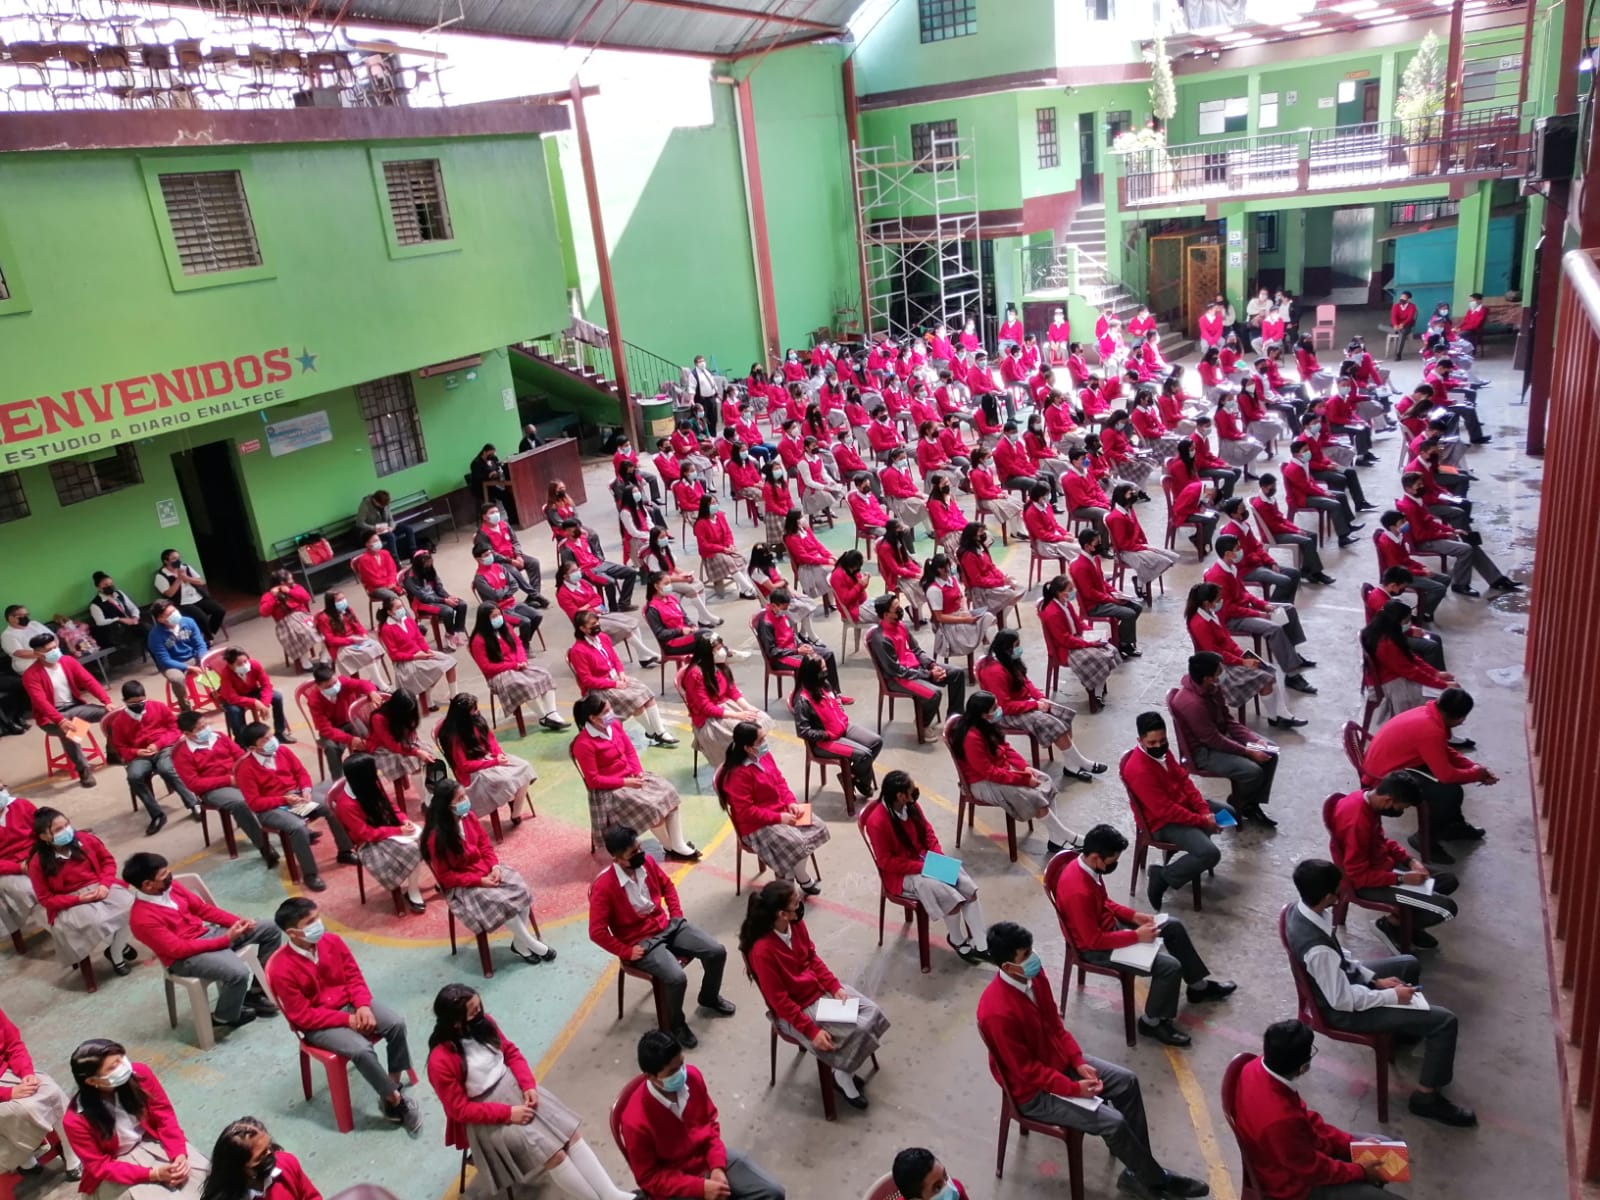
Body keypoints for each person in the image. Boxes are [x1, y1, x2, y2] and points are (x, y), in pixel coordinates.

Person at [976, 921, 1210, 1199]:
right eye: (1025, 955)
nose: (1033, 958)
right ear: (1007, 967)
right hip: (1034, 1092)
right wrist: (1073, 1088)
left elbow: (1055, 1026)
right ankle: (1155, 1179)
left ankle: (1139, 1172)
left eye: (1031, 950)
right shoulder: (996, 1012)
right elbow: (1026, 1071)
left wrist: (1076, 1062)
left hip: (1060, 1063)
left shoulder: (1034, 978)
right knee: (1113, 1123)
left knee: (1127, 1082)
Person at [1288, 860, 1474, 1126]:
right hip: (1341, 1011)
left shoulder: (1303, 909)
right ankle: (1426, 1098)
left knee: (1408, 964)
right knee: (1445, 1021)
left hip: (1342, 984)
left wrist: (1374, 980)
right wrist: (1393, 996)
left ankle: (1402, 1033)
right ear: (1329, 896)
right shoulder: (1317, 950)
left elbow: (1341, 957)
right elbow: (1343, 1001)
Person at [428, 984, 638, 1199]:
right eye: (473, 1012)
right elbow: (459, 1110)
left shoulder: (485, 1024)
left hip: (515, 1089)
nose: (480, 1013)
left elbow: (510, 1052)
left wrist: (528, 1084)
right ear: (455, 1022)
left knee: (571, 1135)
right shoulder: (440, 1061)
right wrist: (508, 1114)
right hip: (487, 1114)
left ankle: (613, 1195)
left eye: (478, 1006)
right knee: (553, 1155)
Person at [1053, 824, 1235, 1046]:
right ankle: (1152, 1022)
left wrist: (1134, 916)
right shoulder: (1077, 892)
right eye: (1112, 860)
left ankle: (1198, 987)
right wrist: (1136, 936)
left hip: (1109, 929)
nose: (1114, 864)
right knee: (1170, 967)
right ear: (1094, 857)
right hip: (1097, 949)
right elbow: (1093, 941)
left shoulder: (1086, 868)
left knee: (1173, 926)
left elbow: (1104, 902)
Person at [265, 896, 421, 1131]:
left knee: (396, 1024)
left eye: (317, 916)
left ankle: (393, 1083)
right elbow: (302, 1016)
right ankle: (393, 1100)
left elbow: (354, 977)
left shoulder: (332, 942)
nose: (319, 923)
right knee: (361, 1050)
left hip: (351, 1006)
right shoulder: (281, 970)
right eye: (311, 921)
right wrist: (347, 1020)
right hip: (319, 1025)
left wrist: (363, 1006)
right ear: (293, 933)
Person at [739, 879, 890, 1111]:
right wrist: (811, 1030)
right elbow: (780, 1002)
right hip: (798, 1009)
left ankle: (842, 1068)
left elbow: (812, 957)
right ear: (782, 914)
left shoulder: (796, 925)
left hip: (819, 990)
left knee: (872, 1013)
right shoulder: (762, 952)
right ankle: (842, 1075)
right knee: (858, 1029)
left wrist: (835, 987)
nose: (800, 906)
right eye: (795, 903)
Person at [1233, 1020, 1412, 1200]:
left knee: (1383, 1145)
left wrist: (1349, 1144)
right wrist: (1360, 1171)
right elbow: (1313, 1170)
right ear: (1303, 1067)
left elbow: (1306, 1121)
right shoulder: (1279, 1120)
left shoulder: (1253, 1067)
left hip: (1293, 1153)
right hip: (1294, 1186)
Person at [589, 826, 735, 1047]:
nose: (640, 853)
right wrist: (626, 951)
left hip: (667, 926)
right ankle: (674, 1024)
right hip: (640, 942)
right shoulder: (604, 887)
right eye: (632, 853)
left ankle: (709, 997)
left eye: (639, 847)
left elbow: (667, 886)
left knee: (716, 951)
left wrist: (676, 915)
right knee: (676, 979)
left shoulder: (646, 863)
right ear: (617, 859)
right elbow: (596, 932)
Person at [122, 852, 281, 1030]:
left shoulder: (171, 887)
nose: (169, 877)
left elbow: (203, 910)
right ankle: (223, 1017)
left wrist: (237, 922)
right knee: (238, 973)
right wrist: (225, 940)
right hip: (185, 958)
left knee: (271, 929)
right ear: (147, 885)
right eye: (163, 875)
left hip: (209, 934)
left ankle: (256, 993)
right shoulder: (142, 919)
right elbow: (178, 949)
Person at [619, 1029, 784, 1200]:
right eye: (672, 1072)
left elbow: (710, 1124)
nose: (681, 1073)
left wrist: (717, 1167)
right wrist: (699, 1188)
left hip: (706, 1158)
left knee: (773, 1194)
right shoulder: (634, 1122)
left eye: (681, 1064)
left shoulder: (692, 1077)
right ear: (651, 1077)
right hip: (676, 1183)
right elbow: (649, 1178)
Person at [421, 778, 554, 964]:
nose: (465, 801)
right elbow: (446, 877)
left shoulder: (469, 817)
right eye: (459, 799)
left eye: (464, 796)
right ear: (447, 806)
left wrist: (495, 866)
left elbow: (485, 844)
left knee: (520, 889)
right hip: (464, 884)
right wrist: (479, 881)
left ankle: (521, 944)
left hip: (486, 870)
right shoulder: (437, 838)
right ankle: (532, 943)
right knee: (501, 903)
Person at [864, 771, 987, 963]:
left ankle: (982, 944)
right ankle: (957, 939)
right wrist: (922, 867)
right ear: (900, 795)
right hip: (902, 874)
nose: (915, 791)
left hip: (925, 860)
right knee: (948, 895)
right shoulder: (877, 822)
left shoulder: (911, 806)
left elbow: (928, 831)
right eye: (911, 789)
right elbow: (886, 862)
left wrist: (937, 856)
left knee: (966, 886)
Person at [1360, 689, 1495, 859]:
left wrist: (1474, 767)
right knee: (1447, 792)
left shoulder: (1429, 713)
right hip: (1384, 776)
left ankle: (1452, 826)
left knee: (1451, 787)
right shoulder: (1431, 730)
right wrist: (1477, 775)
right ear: (1461, 718)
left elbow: (1444, 751)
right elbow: (1446, 775)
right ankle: (1425, 839)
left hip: (1389, 763)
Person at [63, 1040, 208, 1198]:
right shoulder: (75, 1120)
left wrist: (179, 1153)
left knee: (206, 1177)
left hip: (150, 1140)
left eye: (121, 1058)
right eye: (113, 1066)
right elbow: (100, 1166)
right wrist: (155, 1174)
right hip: (117, 1165)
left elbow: (164, 1116)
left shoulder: (140, 1074)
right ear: (92, 1081)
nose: (123, 1066)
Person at [1327, 775, 1460, 947]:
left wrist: (1410, 861)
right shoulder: (1357, 822)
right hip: (1368, 884)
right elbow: (1358, 876)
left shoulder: (1367, 800)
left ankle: (1405, 923)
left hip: (1386, 868)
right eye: (1401, 808)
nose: (1401, 812)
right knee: (1446, 908)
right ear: (1388, 800)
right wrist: (1401, 879)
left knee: (1447, 880)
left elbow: (1381, 840)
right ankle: (1393, 926)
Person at [1121, 711, 1228, 909]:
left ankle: (1195, 851)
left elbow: (1184, 781)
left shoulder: (1163, 751)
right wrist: (1203, 820)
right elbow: (1166, 812)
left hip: (1181, 807)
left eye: (1162, 740)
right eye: (1152, 743)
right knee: (1210, 854)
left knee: (1228, 812)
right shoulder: (1139, 771)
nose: (1158, 746)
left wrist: (1204, 810)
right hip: (1162, 823)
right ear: (1140, 741)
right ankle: (1163, 876)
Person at [572, 695, 698, 861]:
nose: (612, 713)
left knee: (669, 792)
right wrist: (625, 782)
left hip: (631, 777)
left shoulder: (614, 726)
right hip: (611, 790)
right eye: (606, 711)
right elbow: (593, 780)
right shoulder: (584, 744)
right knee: (651, 807)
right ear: (593, 718)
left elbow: (630, 751)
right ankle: (670, 846)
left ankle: (677, 843)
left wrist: (638, 771)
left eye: (610, 708)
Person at [951, 692, 1079, 853]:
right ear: (983, 715)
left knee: (1044, 779)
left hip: (1000, 772)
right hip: (981, 782)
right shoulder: (971, 738)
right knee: (1033, 796)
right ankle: (1067, 835)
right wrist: (1024, 779)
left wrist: (1025, 768)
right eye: (994, 708)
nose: (999, 710)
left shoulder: (988, 725)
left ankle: (1056, 838)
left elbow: (1006, 748)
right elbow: (989, 773)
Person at [235, 721, 355, 894]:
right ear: (252, 748)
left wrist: (306, 790)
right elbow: (255, 803)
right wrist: (284, 800)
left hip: (297, 796)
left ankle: (345, 851)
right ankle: (310, 874)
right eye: (264, 740)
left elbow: (301, 772)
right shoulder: (246, 769)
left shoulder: (283, 751)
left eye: (271, 736)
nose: (271, 741)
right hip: (271, 808)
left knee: (331, 805)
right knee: (297, 827)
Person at [1168, 656, 1282, 823]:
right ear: (1207, 678)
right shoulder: (1193, 704)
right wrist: (1248, 752)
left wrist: (1254, 741)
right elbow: (1213, 740)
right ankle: (1238, 801)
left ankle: (1250, 803)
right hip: (1204, 752)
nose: (1221, 675)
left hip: (1219, 737)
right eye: (1217, 673)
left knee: (1270, 752)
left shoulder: (1212, 688)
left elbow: (1228, 721)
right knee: (1253, 771)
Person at [29, 806, 136, 981]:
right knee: (97, 921)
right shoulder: (37, 863)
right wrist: (77, 899)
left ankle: (115, 950)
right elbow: (45, 899)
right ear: (44, 837)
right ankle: (119, 953)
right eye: (58, 830)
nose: (67, 831)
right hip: (70, 900)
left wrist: (105, 884)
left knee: (135, 907)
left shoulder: (86, 840)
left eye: (67, 825)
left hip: (99, 886)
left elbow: (107, 861)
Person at [977, 629, 1103, 774]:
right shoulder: (994, 672)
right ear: (1006, 648)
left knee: (1063, 714)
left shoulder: (1009, 660)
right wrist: (1035, 705)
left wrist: (1040, 697)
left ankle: (1071, 765)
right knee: (1052, 723)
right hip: (1004, 714)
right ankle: (1081, 762)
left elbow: (1025, 681)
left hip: (1022, 703)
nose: (1019, 649)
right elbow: (1004, 706)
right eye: (1016, 645)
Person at [1184, 583, 1301, 728]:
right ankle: (1276, 717)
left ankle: (1280, 715)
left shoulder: (1211, 614)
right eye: (1218, 599)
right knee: (1266, 677)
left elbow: (1226, 640)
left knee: (1268, 669)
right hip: (1217, 669)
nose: (1221, 602)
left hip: (1227, 661)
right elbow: (1214, 654)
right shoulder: (1200, 624)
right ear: (1207, 603)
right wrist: (1241, 662)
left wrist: (1242, 654)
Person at [1206, 535, 1315, 689]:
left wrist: (1263, 605)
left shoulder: (1232, 567)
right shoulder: (1217, 576)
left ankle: (1293, 654)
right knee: (1274, 628)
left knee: (1288, 610)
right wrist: (1258, 614)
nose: (1241, 551)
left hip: (1245, 609)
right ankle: (1291, 675)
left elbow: (1244, 593)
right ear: (1228, 554)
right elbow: (1228, 609)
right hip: (1232, 618)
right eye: (1238, 549)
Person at [171, 712, 277, 869]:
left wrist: (245, 776)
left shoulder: (219, 737)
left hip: (237, 778)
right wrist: (228, 780)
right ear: (187, 734)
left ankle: (294, 829)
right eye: (200, 728)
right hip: (213, 789)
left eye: (206, 725)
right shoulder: (181, 753)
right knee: (241, 803)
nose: (206, 729)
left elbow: (241, 757)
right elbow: (194, 784)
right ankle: (265, 847)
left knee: (274, 781)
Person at [328, 753, 429, 912]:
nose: (378, 772)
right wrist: (397, 831)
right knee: (412, 849)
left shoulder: (371, 784)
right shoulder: (345, 805)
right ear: (364, 775)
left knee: (427, 837)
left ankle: (430, 882)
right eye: (373, 770)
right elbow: (365, 834)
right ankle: (412, 891)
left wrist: (403, 819)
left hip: (386, 826)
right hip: (369, 843)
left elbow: (390, 805)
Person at [568, 609, 678, 745]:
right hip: (600, 687)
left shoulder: (603, 638)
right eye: (592, 624)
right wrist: (614, 684)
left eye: (597, 622)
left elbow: (615, 659)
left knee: (647, 694)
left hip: (615, 679)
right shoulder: (578, 651)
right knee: (635, 701)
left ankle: (659, 732)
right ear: (582, 628)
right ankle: (652, 732)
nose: (597, 626)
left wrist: (621, 673)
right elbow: (587, 680)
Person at [866, 593, 965, 739]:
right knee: (934, 694)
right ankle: (922, 725)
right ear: (886, 614)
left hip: (917, 669)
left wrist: (931, 665)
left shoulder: (900, 626)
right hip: (898, 678)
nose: (900, 610)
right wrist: (929, 675)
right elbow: (895, 670)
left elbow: (916, 650)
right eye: (897, 608)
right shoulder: (881, 639)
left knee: (956, 673)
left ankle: (954, 720)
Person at [434, 691, 539, 826]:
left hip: (489, 758)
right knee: (507, 780)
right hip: (474, 772)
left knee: (525, 766)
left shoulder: (477, 720)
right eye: (473, 710)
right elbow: (464, 766)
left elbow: (491, 740)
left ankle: (515, 812)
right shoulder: (454, 737)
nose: (477, 712)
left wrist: (498, 755)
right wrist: (493, 762)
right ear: (463, 715)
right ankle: (513, 802)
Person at [106, 681, 198, 835]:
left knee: (167, 768)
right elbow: (121, 747)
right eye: (133, 703)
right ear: (124, 702)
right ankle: (157, 814)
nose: (139, 705)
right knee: (134, 776)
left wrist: (158, 744)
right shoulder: (119, 722)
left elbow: (174, 729)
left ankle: (193, 804)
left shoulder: (158, 707)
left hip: (163, 748)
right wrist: (136, 752)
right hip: (140, 756)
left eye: (141, 701)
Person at [0, 1007, 81, 1180]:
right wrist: (7, 1093)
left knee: (50, 1091)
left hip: (5, 1071)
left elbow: (13, 1044)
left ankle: (72, 1152)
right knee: (24, 1109)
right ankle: (24, 1158)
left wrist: (26, 1072)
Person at [20, 631, 108, 787]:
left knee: (111, 715)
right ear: (38, 654)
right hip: (50, 718)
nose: (54, 652)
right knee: (71, 730)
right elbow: (41, 702)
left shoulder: (68, 661)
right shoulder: (31, 675)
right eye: (49, 650)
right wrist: (59, 720)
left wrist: (106, 701)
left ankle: (114, 750)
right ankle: (83, 769)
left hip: (76, 708)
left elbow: (89, 681)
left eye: (55, 647)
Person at [791, 655, 882, 800]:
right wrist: (826, 734)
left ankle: (852, 776)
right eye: (822, 669)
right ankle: (860, 782)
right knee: (865, 755)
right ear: (812, 673)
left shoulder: (824, 684)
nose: (826, 671)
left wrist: (841, 714)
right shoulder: (802, 701)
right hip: (825, 741)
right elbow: (803, 731)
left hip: (843, 727)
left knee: (876, 742)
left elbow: (836, 700)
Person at [468, 605, 567, 733]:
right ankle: (543, 716)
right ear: (484, 620)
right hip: (498, 673)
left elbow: (518, 644)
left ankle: (552, 713)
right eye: (494, 617)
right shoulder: (478, 640)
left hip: (517, 665)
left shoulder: (506, 627)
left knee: (544, 674)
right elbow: (486, 667)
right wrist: (513, 666)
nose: (498, 618)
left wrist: (522, 660)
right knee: (523, 684)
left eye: (499, 615)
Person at [679, 631, 770, 765]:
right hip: (709, 719)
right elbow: (706, 707)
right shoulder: (694, 675)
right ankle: (739, 763)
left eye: (721, 647)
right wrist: (738, 715)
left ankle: (754, 757)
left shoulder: (720, 666)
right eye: (717, 649)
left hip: (727, 707)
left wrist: (746, 707)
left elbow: (732, 690)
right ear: (707, 652)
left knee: (761, 718)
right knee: (742, 731)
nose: (722, 652)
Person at [1360, 600, 1454, 725]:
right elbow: (1411, 672)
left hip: (1392, 674)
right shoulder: (1387, 644)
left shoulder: (1381, 630)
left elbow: (1411, 657)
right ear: (1396, 621)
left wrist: (1435, 673)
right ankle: (1438, 729)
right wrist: (1442, 685)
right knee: (1444, 698)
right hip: (1390, 682)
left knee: (1447, 689)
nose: (1408, 624)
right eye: (1406, 621)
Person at [1037, 575, 1123, 711]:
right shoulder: (1052, 613)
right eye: (1070, 589)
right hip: (1065, 649)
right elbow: (1064, 640)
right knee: (1098, 658)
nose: (1073, 591)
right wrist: (1089, 643)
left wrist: (1093, 633)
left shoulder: (1066, 604)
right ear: (1060, 593)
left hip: (1077, 640)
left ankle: (1098, 691)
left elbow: (1078, 622)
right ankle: (1094, 691)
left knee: (1109, 649)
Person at [199, 1116, 322, 1199]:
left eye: (269, 1145)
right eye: (260, 1156)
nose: (270, 1154)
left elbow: (312, 1197)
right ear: (239, 1167)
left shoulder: (286, 1162)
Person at [375, 594, 456, 713]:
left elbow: (419, 638)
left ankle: (454, 697)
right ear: (389, 612)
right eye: (397, 608)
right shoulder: (387, 629)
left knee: (450, 662)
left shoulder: (408, 620)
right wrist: (415, 656)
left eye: (401, 606)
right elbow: (394, 655)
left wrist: (427, 650)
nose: (401, 610)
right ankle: (428, 698)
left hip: (420, 653)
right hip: (406, 661)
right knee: (436, 667)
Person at [754, 588, 844, 695]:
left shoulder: (781, 614)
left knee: (827, 654)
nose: (785, 611)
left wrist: (802, 644)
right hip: (781, 657)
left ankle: (834, 693)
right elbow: (772, 652)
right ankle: (813, 697)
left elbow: (792, 633)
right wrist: (797, 651)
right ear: (774, 605)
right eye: (783, 608)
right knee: (813, 663)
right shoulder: (766, 623)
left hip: (794, 648)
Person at [1069, 530, 1142, 659]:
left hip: (1103, 599)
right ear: (1087, 546)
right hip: (1093, 606)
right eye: (1096, 543)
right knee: (1129, 613)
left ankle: (1119, 639)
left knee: (1136, 607)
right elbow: (1089, 593)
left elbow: (1101, 581)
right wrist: (1112, 600)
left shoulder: (1095, 559)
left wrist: (1115, 592)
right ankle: (1123, 644)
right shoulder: (1080, 566)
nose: (1100, 545)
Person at [1217, 496, 1302, 602]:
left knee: (1294, 573)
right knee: (1285, 581)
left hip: (1257, 564)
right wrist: (1259, 560)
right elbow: (1238, 560)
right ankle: (1274, 608)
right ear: (1234, 514)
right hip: (1245, 570)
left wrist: (1271, 562)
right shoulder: (1232, 533)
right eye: (1241, 508)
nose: (1244, 509)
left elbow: (1257, 546)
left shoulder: (1245, 525)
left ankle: (1287, 607)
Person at [303, 664, 379, 782]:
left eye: (335, 682)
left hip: (349, 719)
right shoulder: (314, 701)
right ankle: (338, 781)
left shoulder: (343, 682)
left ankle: (367, 772)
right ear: (319, 687)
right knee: (331, 747)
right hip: (331, 728)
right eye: (329, 686)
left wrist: (372, 692)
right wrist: (350, 739)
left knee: (366, 736)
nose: (334, 687)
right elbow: (325, 728)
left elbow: (363, 684)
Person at [1251, 473, 1332, 583]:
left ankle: (1308, 570)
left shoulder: (1269, 498)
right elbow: (1275, 526)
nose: (1274, 489)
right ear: (1264, 487)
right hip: (1274, 534)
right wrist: (1295, 531)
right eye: (1272, 487)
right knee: (1307, 541)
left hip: (1279, 529)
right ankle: (1317, 573)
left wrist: (1296, 529)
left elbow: (1281, 518)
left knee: (1312, 535)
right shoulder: (1262, 505)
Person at [1106, 483, 1178, 600]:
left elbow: (1138, 528)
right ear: (1122, 496)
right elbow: (1123, 544)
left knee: (1169, 557)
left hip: (1136, 546)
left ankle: (1140, 580)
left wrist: (1145, 544)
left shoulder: (1129, 509)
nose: (1134, 494)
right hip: (1126, 551)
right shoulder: (1116, 517)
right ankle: (1141, 582)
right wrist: (1143, 548)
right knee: (1161, 560)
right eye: (1130, 493)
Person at [1283, 442, 1360, 547]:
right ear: (1296, 455)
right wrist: (1324, 493)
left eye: (1308, 450)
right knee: (1334, 504)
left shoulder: (1302, 463)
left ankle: (1347, 525)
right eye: (1305, 451)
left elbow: (1311, 482)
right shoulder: (1294, 468)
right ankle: (1343, 537)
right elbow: (1306, 488)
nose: (1308, 453)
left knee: (1341, 495)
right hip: (1303, 498)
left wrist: (1323, 492)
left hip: (1310, 493)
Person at [472, 541, 545, 651]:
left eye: (490, 553)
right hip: (500, 610)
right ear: (478, 559)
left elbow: (514, 585)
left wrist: (503, 591)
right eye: (486, 555)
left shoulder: (499, 567)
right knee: (525, 622)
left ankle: (522, 642)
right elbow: (495, 596)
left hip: (513, 603)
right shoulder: (480, 578)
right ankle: (524, 647)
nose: (490, 556)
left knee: (537, 616)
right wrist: (506, 588)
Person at [217, 647, 293, 745]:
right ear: (230, 666)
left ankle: (280, 732)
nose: (245, 665)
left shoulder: (254, 665)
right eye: (239, 664)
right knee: (234, 711)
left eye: (245, 661)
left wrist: (264, 704)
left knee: (277, 697)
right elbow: (232, 697)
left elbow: (266, 685)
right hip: (235, 699)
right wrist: (255, 702)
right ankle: (242, 742)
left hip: (252, 691)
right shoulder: (226, 674)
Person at [477, 502, 547, 605]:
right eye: (492, 513)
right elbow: (491, 554)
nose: (496, 514)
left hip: (513, 556)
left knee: (533, 562)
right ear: (484, 517)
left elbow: (515, 541)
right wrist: (510, 561)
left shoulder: (504, 524)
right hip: (499, 562)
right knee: (513, 571)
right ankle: (535, 595)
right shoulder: (482, 534)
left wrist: (518, 555)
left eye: (497, 511)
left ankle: (533, 597)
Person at [147, 601, 210, 710]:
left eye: (174, 610)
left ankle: (219, 693)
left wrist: (202, 659)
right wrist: (189, 667)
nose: (175, 614)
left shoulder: (188, 622)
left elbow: (200, 643)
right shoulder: (155, 635)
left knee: (213, 663)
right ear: (160, 619)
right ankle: (185, 707)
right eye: (169, 614)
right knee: (177, 679)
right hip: (172, 664)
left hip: (192, 656)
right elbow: (164, 660)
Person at [314, 592, 385, 682]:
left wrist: (363, 634)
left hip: (356, 639)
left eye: (344, 598)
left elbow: (358, 625)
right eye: (339, 600)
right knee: (367, 653)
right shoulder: (324, 618)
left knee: (375, 647)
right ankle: (380, 684)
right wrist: (352, 640)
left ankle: (374, 681)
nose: (343, 601)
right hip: (340, 646)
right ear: (331, 603)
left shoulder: (348, 610)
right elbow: (331, 640)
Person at [153, 549, 225, 639]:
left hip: (198, 597)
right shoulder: (160, 576)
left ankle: (209, 634)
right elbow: (169, 594)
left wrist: (187, 578)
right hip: (182, 603)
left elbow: (201, 582)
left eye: (178, 558)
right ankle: (208, 638)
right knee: (202, 618)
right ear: (166, 561)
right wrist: (179, 579)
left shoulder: (185, 567)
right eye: (174, 559)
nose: (178, 561)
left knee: (219, 610)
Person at [88, 572, 150, 654]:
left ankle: (155, 649)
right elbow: (100, 622)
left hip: (132, 625)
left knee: (145, 628)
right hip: (118, 631)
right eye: (105, 585)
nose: (109, 586)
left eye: (110, 584)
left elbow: (133, 607)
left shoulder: (119, 594)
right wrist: (119, 619)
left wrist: (135, 617)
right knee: (144, 629)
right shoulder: (95, 604)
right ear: (98, 588)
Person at [356, 489, 417, 561]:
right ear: (375, 501)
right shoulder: (365, 505)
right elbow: (359, 523)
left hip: (386, 529)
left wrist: (391, 527)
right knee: (391, 536)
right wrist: (374, 528)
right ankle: (396, 562)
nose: (383, 507)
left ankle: (414, 555)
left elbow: (391, 519)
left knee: (408, 528)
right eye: (381, 505)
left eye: (385, 505)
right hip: (373, 532)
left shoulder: (385, 503)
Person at [352, 534, 401, 606]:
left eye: (378, 540)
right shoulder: (364, 560)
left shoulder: (385, 553)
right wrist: (388, 585)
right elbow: (372, 580)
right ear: (367, 544)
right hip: (376, 588)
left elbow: (392, 571)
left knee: (411, 585)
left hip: (391, 583)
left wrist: (391, 582)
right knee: (394, 599)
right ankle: (406, 617)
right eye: (375, 541)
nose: (378, 542)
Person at [468, 444, 514, 519]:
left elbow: (497, 467)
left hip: (492, 486)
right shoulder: (476, 463)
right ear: (484, 452)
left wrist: (496, 472)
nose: (492, 455)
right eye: (490, 453)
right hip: (481, 489)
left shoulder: (492, 459)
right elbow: (477, 478)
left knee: (507, 495)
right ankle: (491, 520)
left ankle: (513, 519)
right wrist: (488, 476)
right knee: (491, 501)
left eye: (493, 453)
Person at [682, 354, 722, 435]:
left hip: (712, 398)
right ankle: (706, 436)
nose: (702, 363)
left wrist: (717, 393)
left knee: (714, 418)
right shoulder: (693, 374)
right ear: (696, 364)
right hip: (702, 400)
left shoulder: (707, 371)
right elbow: (691, 388)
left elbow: (712, 383)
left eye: (703, 361)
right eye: (700, 361)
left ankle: (713, 435)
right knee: (703, 419)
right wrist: (691, 399)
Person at [1390, 290, 1418, 359]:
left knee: (1402, 332)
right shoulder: (1395, 306)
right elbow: (1393, 317)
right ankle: (1396, 330)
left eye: (1404, 297)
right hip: (1397, 325)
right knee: (1401, 332)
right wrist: (1395, 325)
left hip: (1407, 325)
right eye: (1401, 297)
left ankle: (1398, 353)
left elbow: (1410, 317)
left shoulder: (1412, 306)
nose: (1402, 299)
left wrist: (1402, 324)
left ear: (1408, 299)